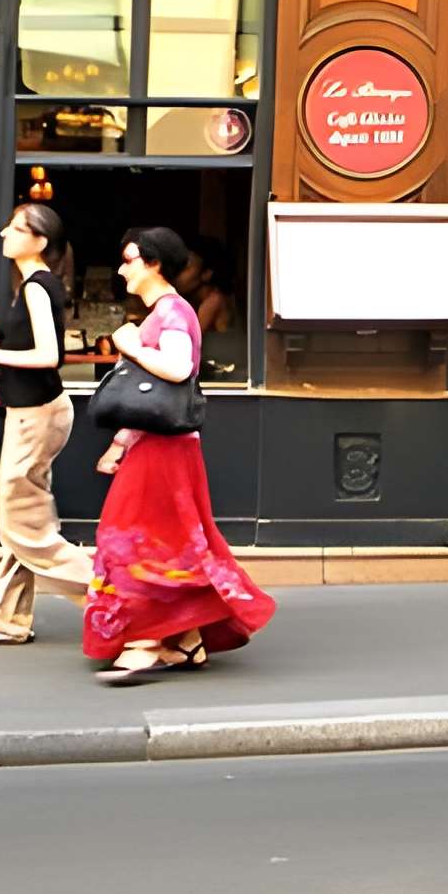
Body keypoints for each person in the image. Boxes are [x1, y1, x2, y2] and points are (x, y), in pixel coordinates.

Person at [81, 225, 276, 684]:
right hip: (160, 444)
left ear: (153, 264)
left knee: (133, 534)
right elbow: (153, 394)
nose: (122, 269)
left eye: (130, 260)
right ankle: (183, 640)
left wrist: (129, 346)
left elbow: (178, 368)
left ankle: (147, 641)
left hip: (165, 450)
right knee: (169, 537)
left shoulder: (170, 311)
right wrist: (122, 441)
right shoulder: (165, 311)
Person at [0, 202, 91, 646]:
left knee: (19, 522)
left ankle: (112, 598)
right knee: (23, 516)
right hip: (35, 411)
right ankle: (6, 621)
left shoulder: (37, 286)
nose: (3, 234)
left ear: (40, 241)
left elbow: (50, 356)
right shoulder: (33, 285)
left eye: (16, 228)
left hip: (37, 414)